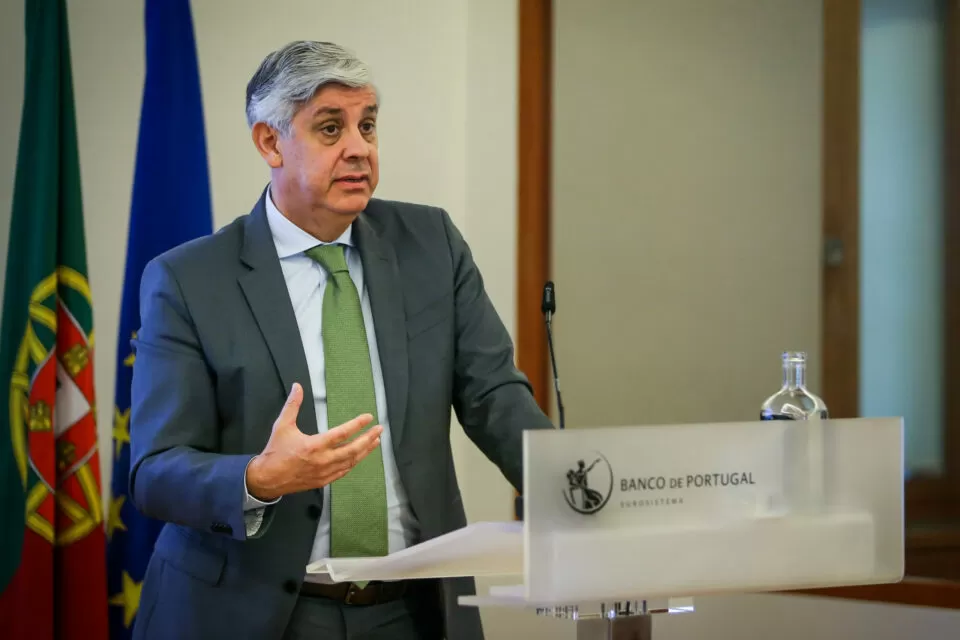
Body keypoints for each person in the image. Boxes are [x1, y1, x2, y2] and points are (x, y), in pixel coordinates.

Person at [127, 40, 553, 640]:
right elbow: (154, 471)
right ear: (270, 143)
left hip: (411, 609)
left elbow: (495, 397)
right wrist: (257, 478)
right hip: (256, 611)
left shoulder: (431, 244)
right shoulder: (189, 279)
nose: (359, 148)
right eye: (331, 128)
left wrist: (573, 488)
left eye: (367, 125)